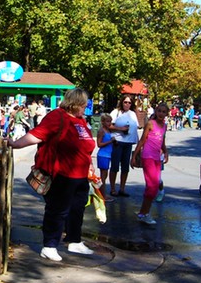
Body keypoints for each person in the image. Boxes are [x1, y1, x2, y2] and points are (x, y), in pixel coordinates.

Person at [8, 88, 96, 261]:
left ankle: (74, 240)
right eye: (83, 104)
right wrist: (16, 144)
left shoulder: (81, 120)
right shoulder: (57, 116)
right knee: (58, 210)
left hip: (80, 174)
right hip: (62, 173)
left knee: (77, 209)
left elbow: (85, 146)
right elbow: (37, 135)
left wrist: (90, 166)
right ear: (75, 103)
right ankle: (49, 245)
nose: (86, 106)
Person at [131, 103, 169, 225]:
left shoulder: (164, 126)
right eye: (159, 111)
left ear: (166, 114)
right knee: (152, 187)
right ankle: (144, 214)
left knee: (155, 185)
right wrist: (134, 155)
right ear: (156, 111)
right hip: (147, 156)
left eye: (164, 112)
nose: (161, 114)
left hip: (157, 158)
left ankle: (143, 212)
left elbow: (162, 141)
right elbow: (142, 140)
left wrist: (166, 152)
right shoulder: (150, 124)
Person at [109, 95, 138, 197]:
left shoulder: (133, 114)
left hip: (128, 143)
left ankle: (122, 188)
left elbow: (135, 127)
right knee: (115, 166)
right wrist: (121, 129)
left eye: (129, 103)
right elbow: (108, 125)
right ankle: (112, 189)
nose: (127, 104)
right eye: (125, 102)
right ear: (121, 102)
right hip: (117, 142)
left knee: (125, 167)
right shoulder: (116, 112)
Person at [95, 113, 116, 201]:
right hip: (103, 155)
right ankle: (102, 195)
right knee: (103, 176)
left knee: (105, 175)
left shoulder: (109, 131)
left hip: (108, 155)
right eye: (107, 121)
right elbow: (99, 144)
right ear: (103, 122)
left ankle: (101, 193)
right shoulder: (101, 131)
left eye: (110, 121)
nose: (109, 123)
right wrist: (110, 142)